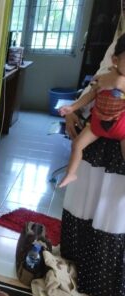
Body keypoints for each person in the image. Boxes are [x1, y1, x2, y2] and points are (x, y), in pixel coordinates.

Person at [61, 63, 125, 296]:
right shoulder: (113, 58)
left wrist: (117, 81)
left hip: (118, 147)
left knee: (115, 219)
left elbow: (114, 83)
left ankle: (117, 292)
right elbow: (93, 90)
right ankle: (80, 273)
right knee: (83, 208)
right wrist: (71, 111)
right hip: (97, 140)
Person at [57, 33, 125, 188]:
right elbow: (89, 95)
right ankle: (70, 174)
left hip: (121, 128)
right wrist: (72, 108)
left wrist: (120, 83)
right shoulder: (103, 78)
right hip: (97, 124)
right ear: (115, 61)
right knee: (77, 145)